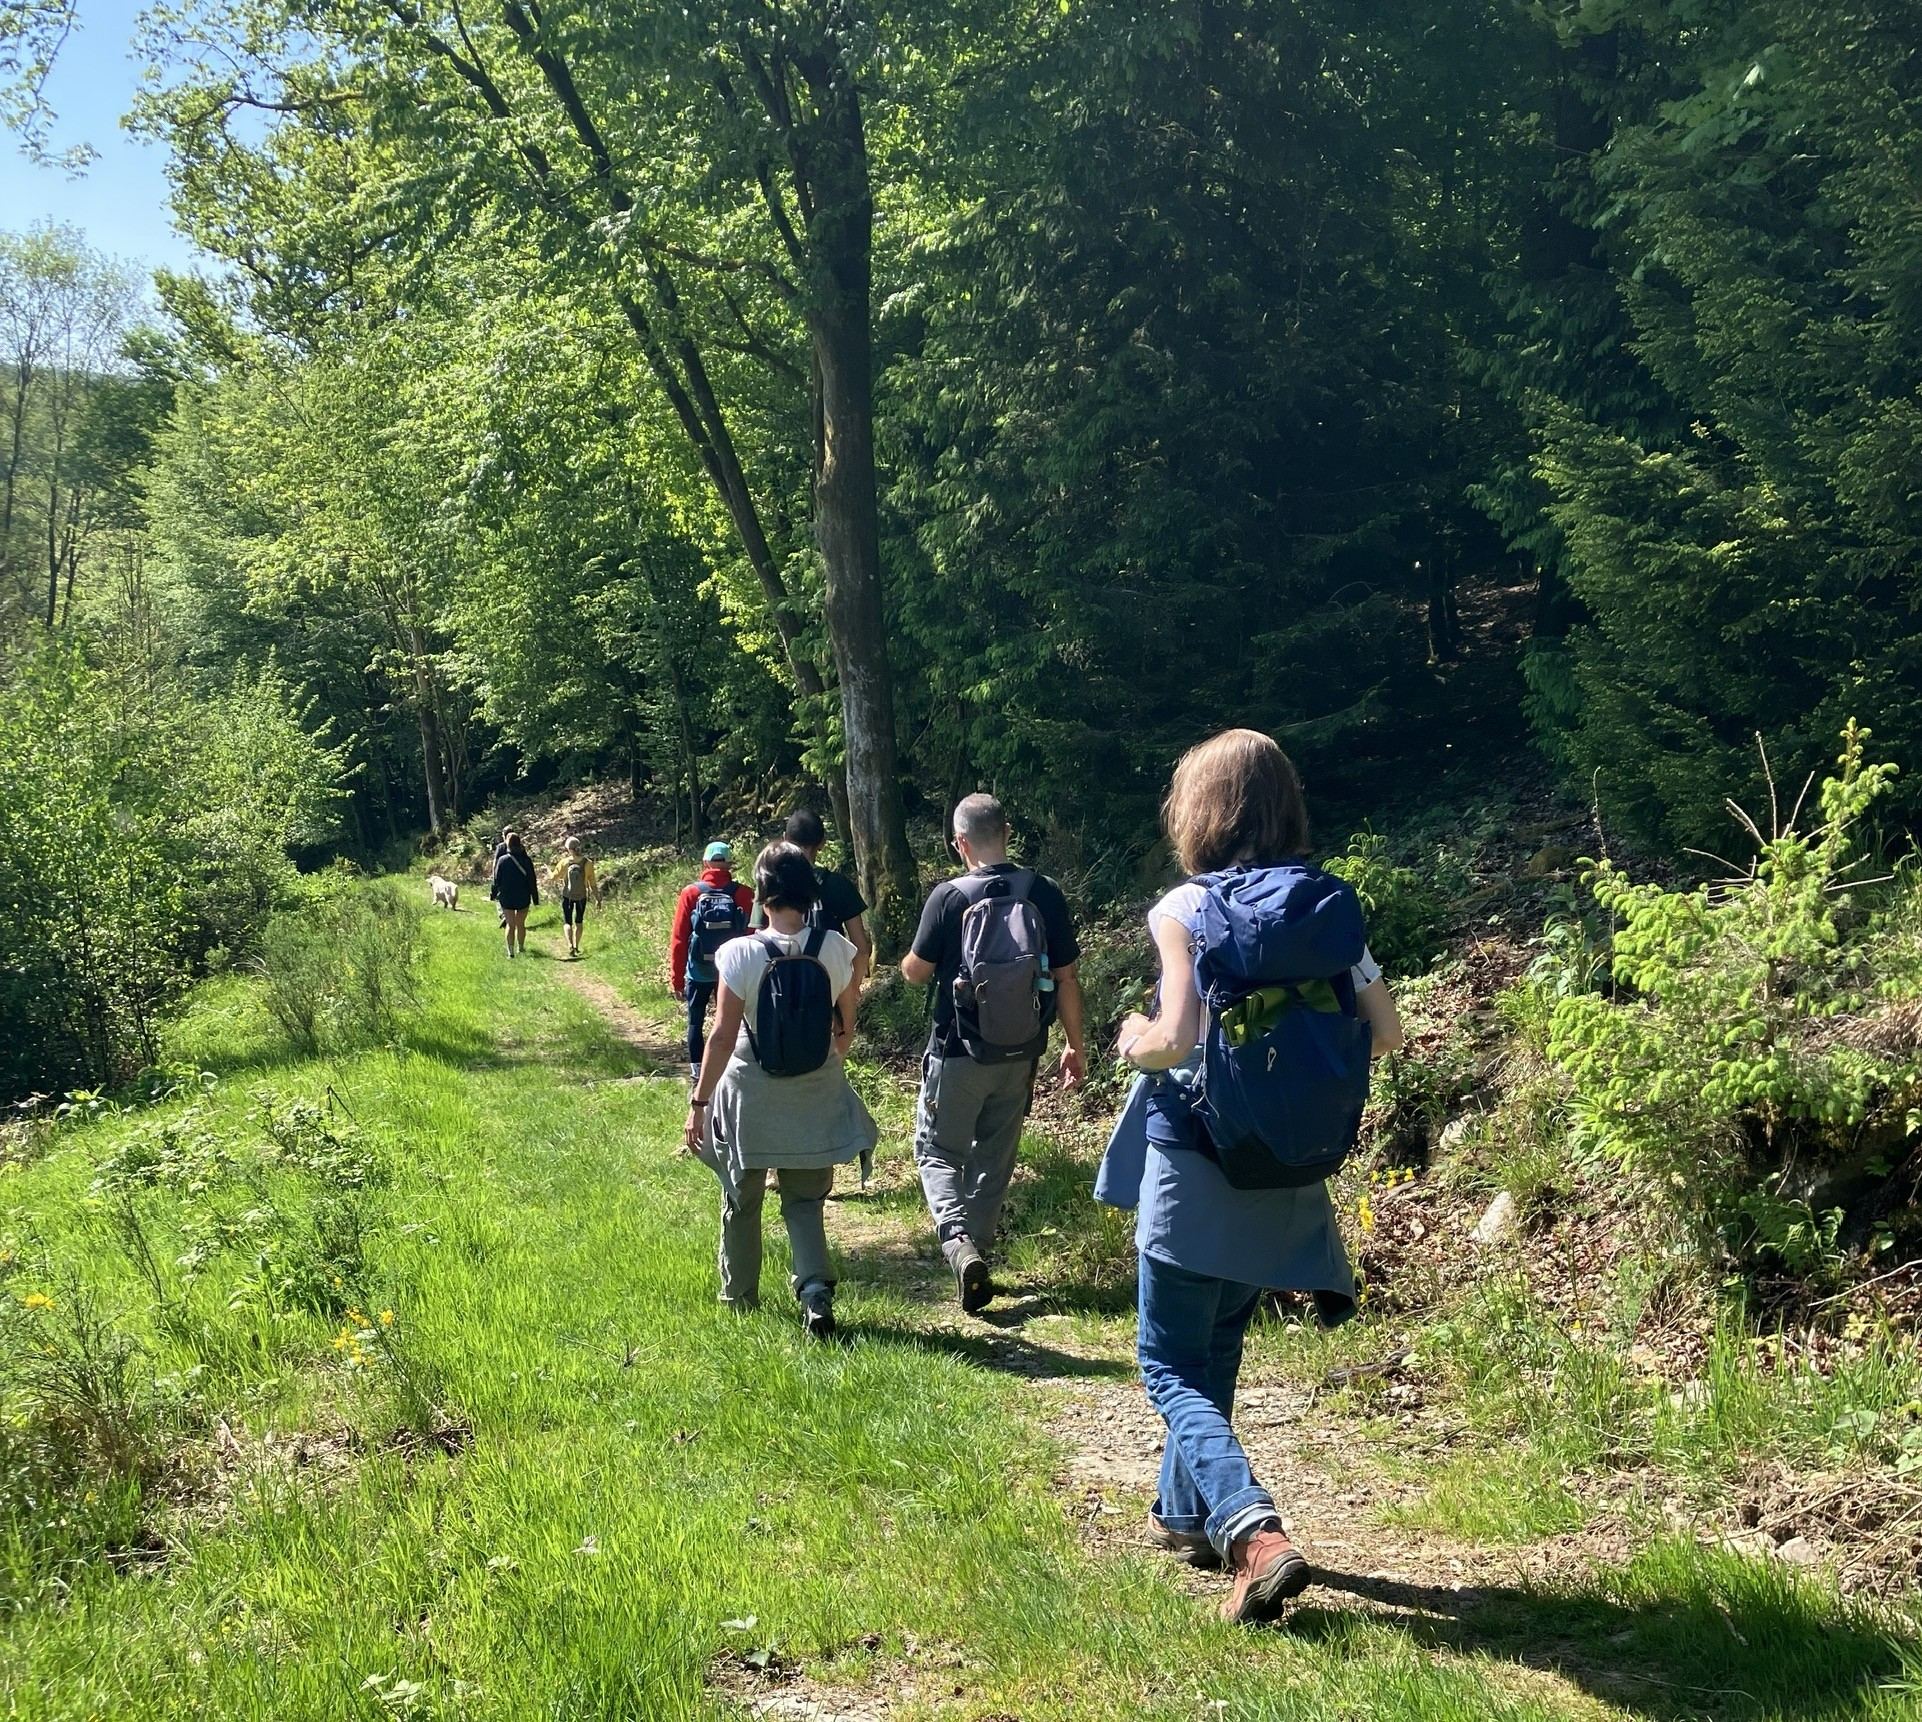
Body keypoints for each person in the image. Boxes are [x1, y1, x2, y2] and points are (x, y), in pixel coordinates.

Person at [1096, 729, 1404, 1625]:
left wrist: (1134, 1040)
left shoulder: (1186, 906)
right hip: (1288, 1167)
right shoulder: (1326, 907)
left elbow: (1176, 1037)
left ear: (1200, 813)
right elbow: (1387, 1032)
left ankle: (1250, 1531)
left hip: (1197, 1165)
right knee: (1220, 1337)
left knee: (1166, 1362)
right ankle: (1185, 1514)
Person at [900, 793, 1086, 1314]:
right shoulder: (1043, 892)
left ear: (959, 843)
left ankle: (960, 1246)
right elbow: (1067, 978)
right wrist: (1075, 1045)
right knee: (994, 1159)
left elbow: (915, 972)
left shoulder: (948, 897)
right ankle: (977, 1250)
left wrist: (909, 962)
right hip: (1021, 1052)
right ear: (1007, 832)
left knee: (938, 1152)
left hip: (958, 1051)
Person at [683, 842, 877, 1338]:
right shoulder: (837, 949)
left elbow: (722, 1036)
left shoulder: (738, 953)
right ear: (809, 893)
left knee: (741, 1198)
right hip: (813, 1095)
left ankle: (740, 1299)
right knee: (806, 1202)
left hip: (750, 1098)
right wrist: (823, 1068)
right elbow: (846, 1024)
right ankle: (815, 1292)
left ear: (762, 895)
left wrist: (700, 1102)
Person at [753, 809, 872, 998]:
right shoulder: (838, 885)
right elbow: (861, 948)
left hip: (779, 990)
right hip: (828, 988)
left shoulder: (771, 883)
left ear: (785, 838)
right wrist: (851, 989)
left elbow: (757, 941)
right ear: (822, 843)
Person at [668, 840, 755, 1084]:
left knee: (695, 1021)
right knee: (732, 1022)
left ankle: (697, 1073)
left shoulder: (691, 893)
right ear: (730, 864)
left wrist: (676, 979)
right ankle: (729, 1069)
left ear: (705, 862)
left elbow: (679, 939)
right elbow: (753, 936)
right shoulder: (744, 893)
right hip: (732, 972)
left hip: (698, 970)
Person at [548, 836, 602, 959]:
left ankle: (570, 945)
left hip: (567, 896)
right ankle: (577, 946)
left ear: (568, 849)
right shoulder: (588, 863)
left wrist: (548, 871)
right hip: (582, 896)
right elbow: (592, 883)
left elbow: (553, 877)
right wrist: (597, 898)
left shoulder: (564, 862)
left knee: (567, 922)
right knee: (579, 921)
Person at [488, 830, 539, 957]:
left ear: (508, 845)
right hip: (523, 896)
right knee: (520, 924)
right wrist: (535, 898)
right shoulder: (526, 860)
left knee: (510, 925)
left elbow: (496, 880)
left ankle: (510, 952)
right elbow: (532, 880)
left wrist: (493, 894)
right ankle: (520, 948)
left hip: (507, 897)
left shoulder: (502, 860)